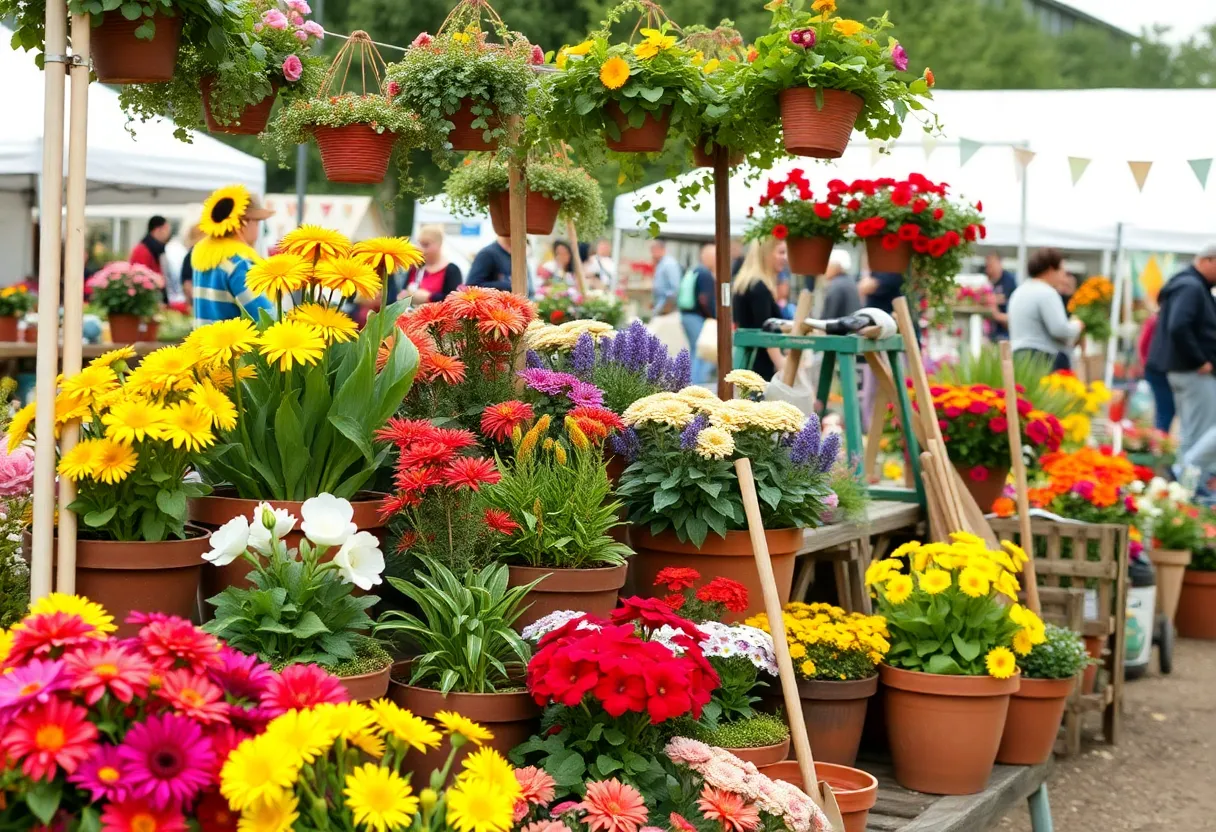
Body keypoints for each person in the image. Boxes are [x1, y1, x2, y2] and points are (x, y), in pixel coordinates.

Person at [1146, 246, 1216, 478]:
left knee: (1191, 431)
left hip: (1183, 370)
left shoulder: (1189, 285)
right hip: (1192, 371)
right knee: (1203, 431)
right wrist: (1200, 360)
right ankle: (1188, 475)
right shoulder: (1191, 287)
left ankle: (1184, 480)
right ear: (1207, 260)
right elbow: (1178, 326)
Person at [192, 185, 275, 326]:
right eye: (257, 222)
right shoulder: (238, 264)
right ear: (243, 224)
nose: (258, 228)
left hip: (205, 345)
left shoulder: (205, 259)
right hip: (234, 347)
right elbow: (266, 318)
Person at [1008, 248, 1082, 372]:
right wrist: (1077, 325)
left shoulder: (1019, 291)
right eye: (1061, 271)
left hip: (1018, 357)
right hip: (1041, 359)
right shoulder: (1047, 292)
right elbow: (1059, 329)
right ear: (1051, 270)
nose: (1064, 276)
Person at [732, 237, 788, 381]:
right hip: (759, 372)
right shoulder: (760, 288)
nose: (785, 258)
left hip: (747, 364)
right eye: (781, 252)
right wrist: (783, 366)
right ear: (766, 253)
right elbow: (767, 331)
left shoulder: (747, 284)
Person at [679, 243, 717, 384]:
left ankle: (691, 382)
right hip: (697, 317)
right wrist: (714, 317)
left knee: (696, 350)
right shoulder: (705, 274)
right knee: (702, 353)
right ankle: (696, 384)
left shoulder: (694, 270)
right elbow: (704, 299)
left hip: (686, 315)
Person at [399, 225, 462, 305]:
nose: (420, 249)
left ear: (439, 244)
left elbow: (455, 300)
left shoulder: (451, 270)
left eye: (425, 244)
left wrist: (430, 297)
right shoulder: (416, 267)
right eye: (419, 244)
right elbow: (403, 291)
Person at [1138, 311, 1174, 433]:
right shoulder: (1157, 320)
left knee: (1164, 408)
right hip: (1158, 369)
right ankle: (1160, 440)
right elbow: (1143, 344)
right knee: (1165, 408)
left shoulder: (1154, 320)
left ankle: (1160, 439)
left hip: (1154, 368)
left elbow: (1142, 344)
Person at [983, 252, 1018, 340]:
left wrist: (989, 299)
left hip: (1006, 327)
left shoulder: (1008, 280)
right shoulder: (992, 280)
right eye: (988, 266)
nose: (989, 269)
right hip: (996, 328)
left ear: (999, 263)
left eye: (991, 265)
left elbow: (1002, 298)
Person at [821, 249, 861, 320]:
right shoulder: (849, 281)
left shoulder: (836, 286)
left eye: (827, 265)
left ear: (836, 267)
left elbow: (828, 317)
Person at [651, 239, 682, 315]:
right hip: (660, 305)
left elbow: (676, 289)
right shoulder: (661, 264)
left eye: (654, 250)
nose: (652, 253)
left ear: (661, 249)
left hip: (666, 309)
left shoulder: (669, 264)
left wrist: (666, 308)